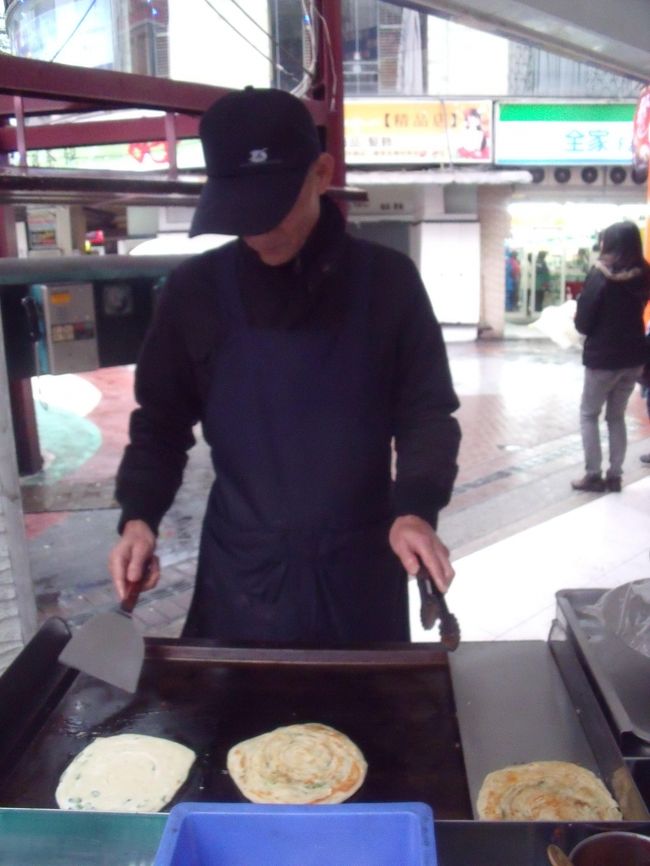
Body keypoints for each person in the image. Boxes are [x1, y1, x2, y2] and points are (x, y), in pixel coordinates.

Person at [108, 87, 461, 644]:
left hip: (361, 569)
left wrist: (416, 508)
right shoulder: (194, 292)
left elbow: (427, 415)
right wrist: (139, 516)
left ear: (321, 173)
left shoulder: (389, 283)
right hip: (241, 573)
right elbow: (160, 422)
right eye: (240, 214)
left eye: (272, 208)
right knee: (232, 728)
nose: (259, 230)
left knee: (366, 725)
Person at [571, 220, 650, 493]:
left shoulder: (599, 275)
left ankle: (593, 475)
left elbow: (583, 322)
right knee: (616, 417)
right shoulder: (644, 273)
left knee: (589, 414)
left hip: (603, 358)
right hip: (634, 357)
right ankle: (615, 476)